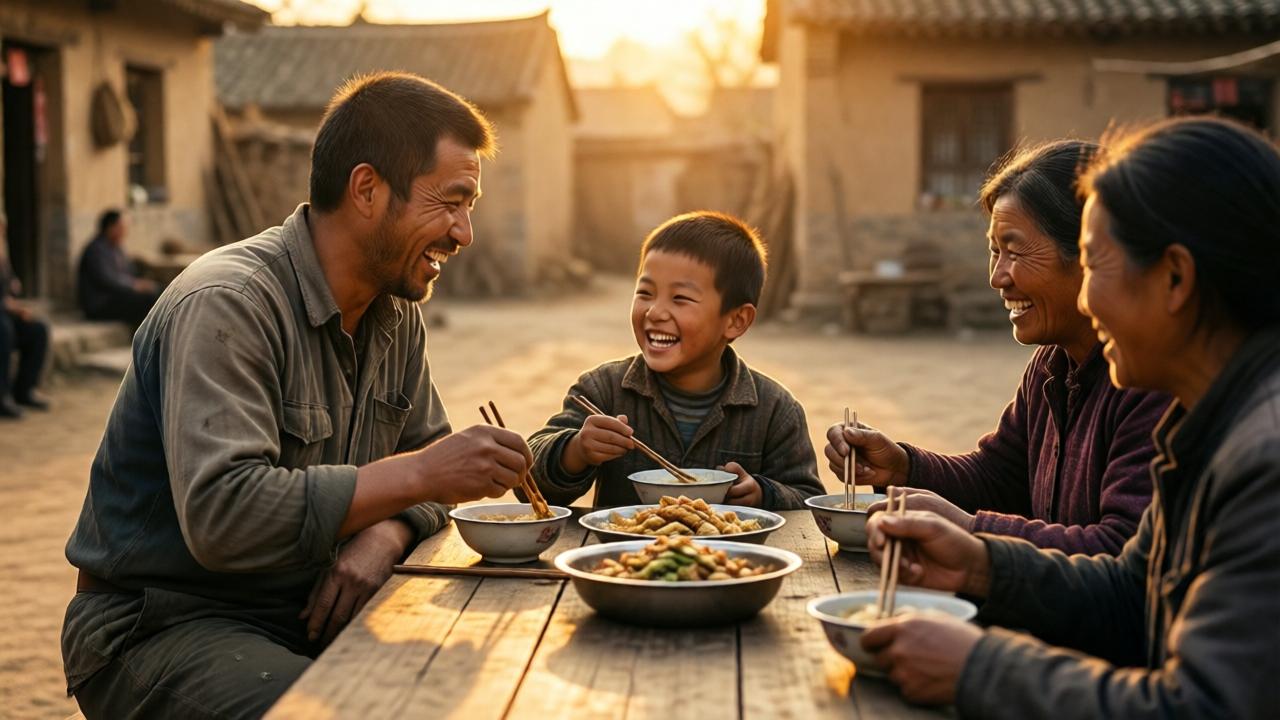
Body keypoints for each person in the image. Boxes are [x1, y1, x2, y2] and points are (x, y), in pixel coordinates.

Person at [62, 71, 537, 718]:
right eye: (451, 202)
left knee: (480, 686)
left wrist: (386, 532)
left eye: (470, 207)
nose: (464, 233)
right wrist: (421, 475)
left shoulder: (393, 314)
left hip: (305, 608)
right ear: (367, 189)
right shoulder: (228, 305)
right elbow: (224, 516)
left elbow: (426, 466)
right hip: (164, 626)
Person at [860, 117, 1280, 718]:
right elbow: (1128, 592)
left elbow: (1203, 707)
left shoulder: (1263, 458)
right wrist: (979, 563)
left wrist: (981, 667)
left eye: (1096, 264)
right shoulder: (1207, 418)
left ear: (1176, 277)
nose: (1086, 299)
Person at [824, 141, 1169, 554]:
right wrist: (902, 466)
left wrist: (972, 531)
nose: (997, 277)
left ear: (1090, 255)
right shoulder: (1052, 364)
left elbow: (1121, 554)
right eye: (994, 251)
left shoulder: (1148, 378)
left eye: (1015, 250)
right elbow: (1000, 476)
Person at [527, 211, 824, 509]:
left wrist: (763, 493)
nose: (655, 312)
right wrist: (576, 451)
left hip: (728, 555)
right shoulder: (602, 390)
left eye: (680, 298)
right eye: (645, 292)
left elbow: (808, 501)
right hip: (626, 554)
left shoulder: (774, 410)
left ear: (735, 320)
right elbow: (529, 480)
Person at [0, 212, 51, 418]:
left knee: (37, 329)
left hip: (5, 311)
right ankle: (2, 396)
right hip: (2, 314)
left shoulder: (2, 253)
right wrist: (8, 305)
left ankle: (24, 389)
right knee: (4, 332)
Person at [76, 209, 162, 326]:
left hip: (116, 298)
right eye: (121, 227)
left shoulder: (116, 248)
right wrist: (134, 285)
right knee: (147, 299)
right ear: (110, 227)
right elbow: (106, 280)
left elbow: (130, 272)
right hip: (101, 304)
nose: (125, 232)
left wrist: (143, 282)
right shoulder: (96, 249)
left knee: (158, 291)